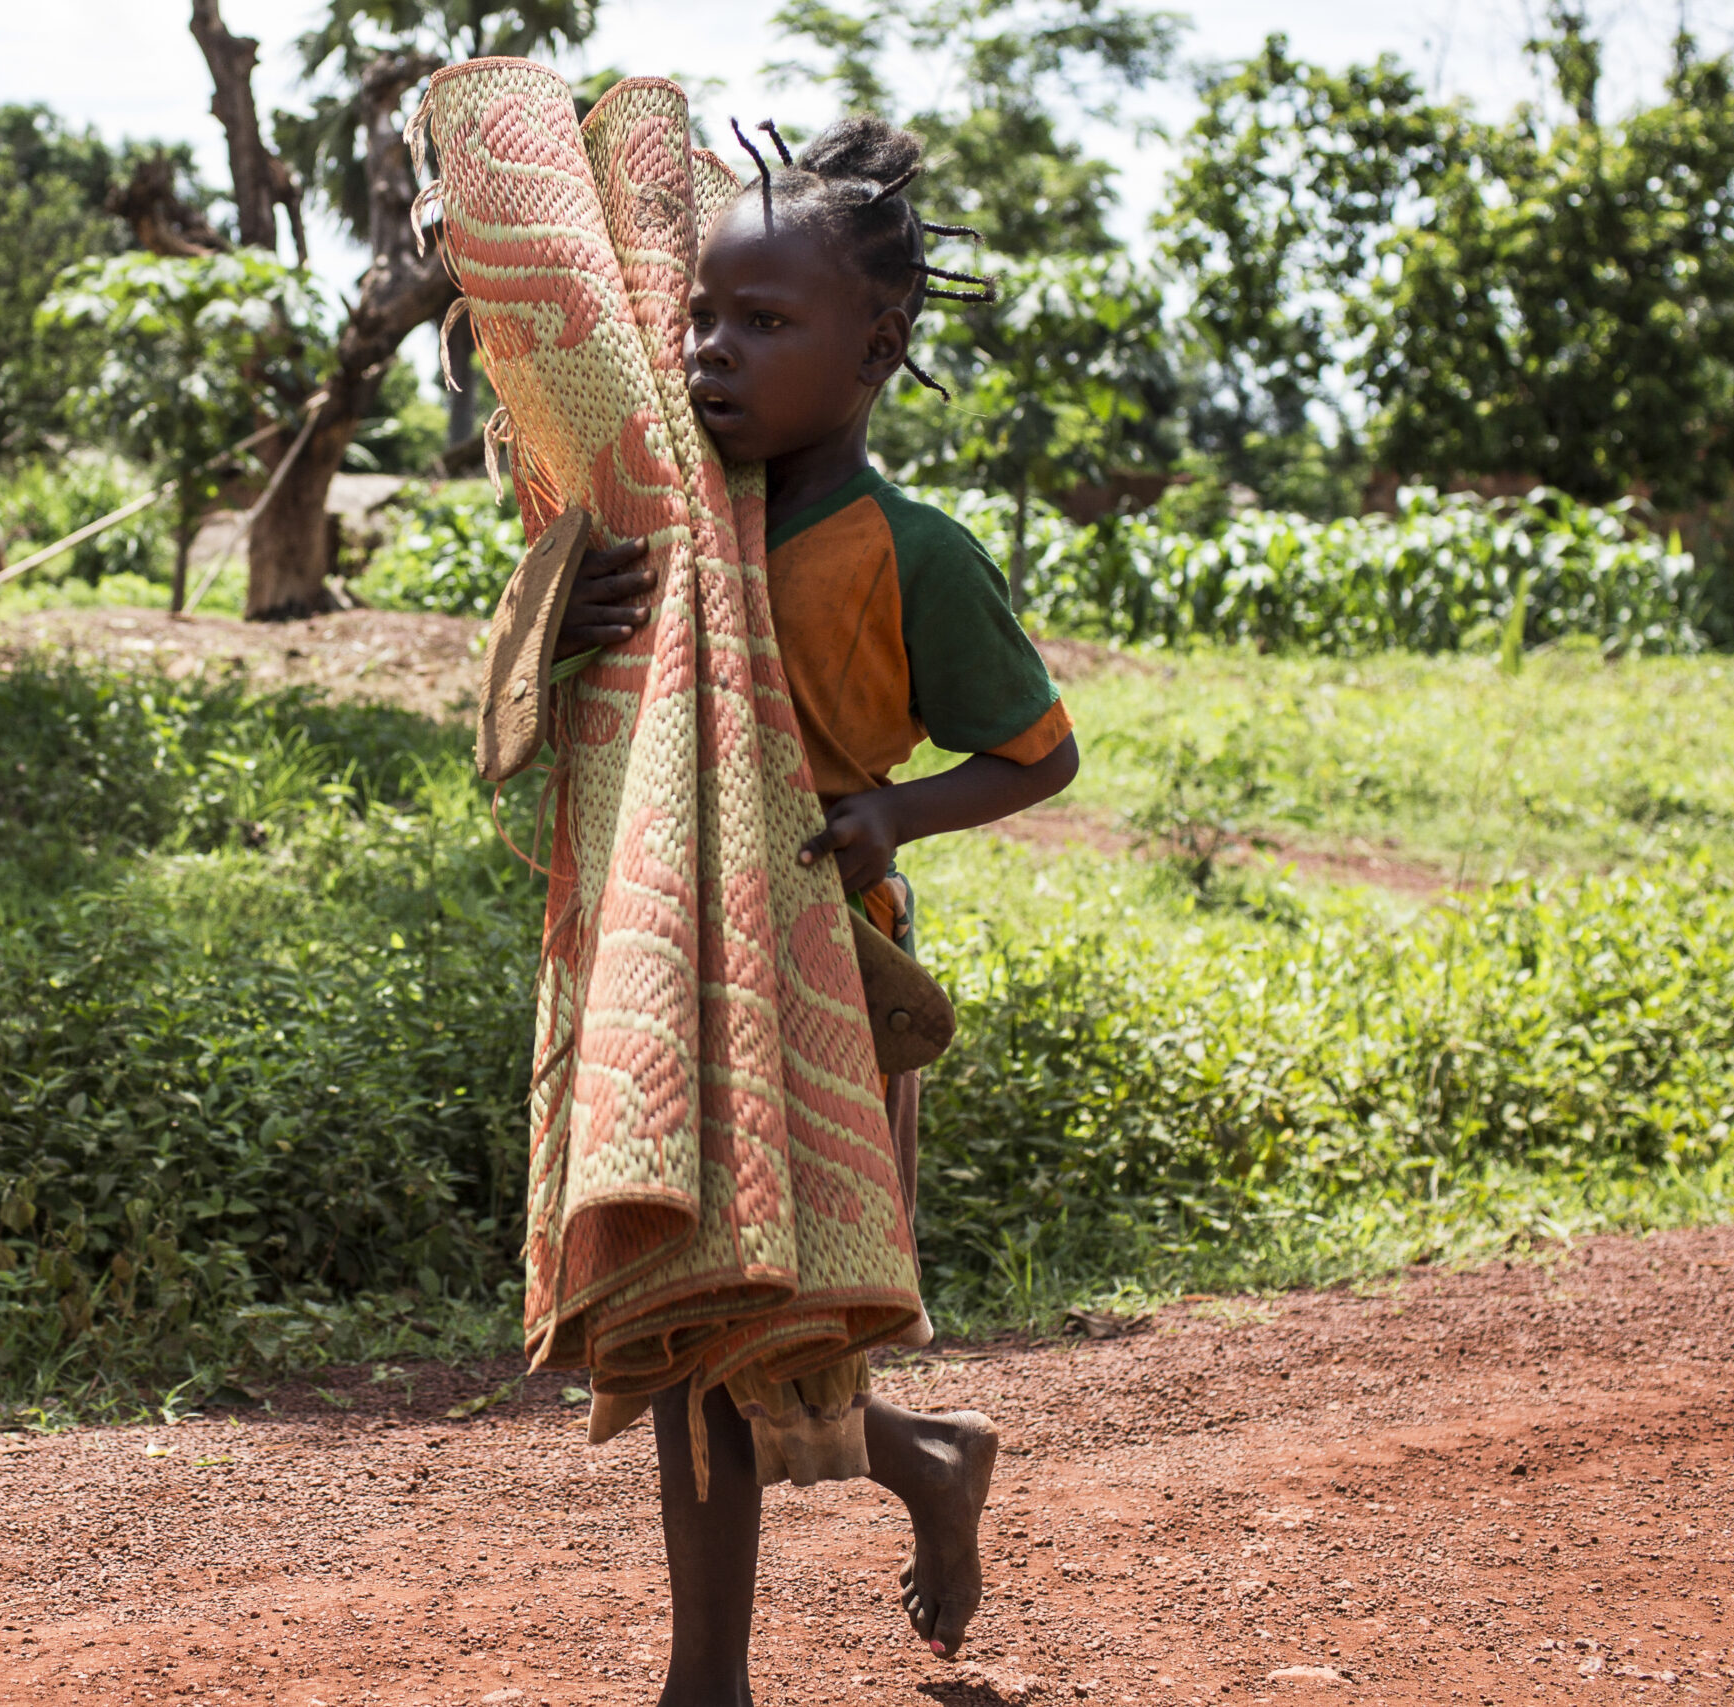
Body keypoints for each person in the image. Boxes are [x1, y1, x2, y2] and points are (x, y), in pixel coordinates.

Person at [553, 114, 1081, 1707]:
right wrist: (562, 617)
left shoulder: (914, 555)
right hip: (668, 959)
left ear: (877, 349)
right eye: (702, 317)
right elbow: (558, 711)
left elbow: (1039, 754)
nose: (714, 351)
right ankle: (727, 1659)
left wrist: (891, 815)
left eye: (765, 321)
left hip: (828, 977)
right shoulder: (662, 520)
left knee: (780, 1332)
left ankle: (906, 1481)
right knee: (685, 1311)